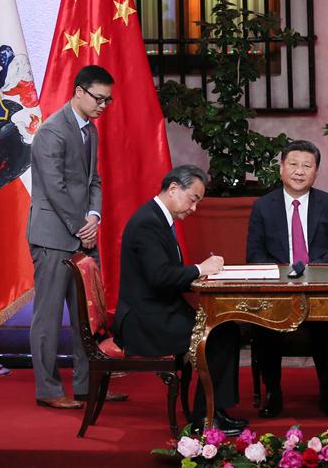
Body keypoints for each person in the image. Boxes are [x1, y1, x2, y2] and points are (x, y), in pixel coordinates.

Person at [113, 165, 246, 435]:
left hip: (160, 311)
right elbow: (159, 276)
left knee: (228, 327)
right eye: (193, 199)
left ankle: (215, 409)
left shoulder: (157, 218)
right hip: (145, 320)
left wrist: (201, 272)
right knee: (220, 335)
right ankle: (204, 418)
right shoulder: (147, 223)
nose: (193, 209)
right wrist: (200, 269)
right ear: (174, 189)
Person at [27, 65, 125, 409]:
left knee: (89, 317)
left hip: (82, 234)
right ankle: (49, 389)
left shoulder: (90, 131)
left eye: (108, 100)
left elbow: (92, 180)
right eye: (99, 98)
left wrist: (94, 217)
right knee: (48, 317)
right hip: (53, 236)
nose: (103, 105)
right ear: (79, 92)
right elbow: (54, 188)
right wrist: (79, 226)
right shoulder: (52, 131)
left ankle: (88, 385)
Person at [246, 140, 328, 419]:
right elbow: (255, 253)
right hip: (278, 290)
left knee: (327, 324)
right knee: (265, 325)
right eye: (293, 164)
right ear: (281, 168)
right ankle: (273, 393)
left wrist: (309, 270)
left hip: (319, 288)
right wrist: (284, 276)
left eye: (307, 166)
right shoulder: (263, 206)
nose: (299, 171)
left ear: (316, 172)